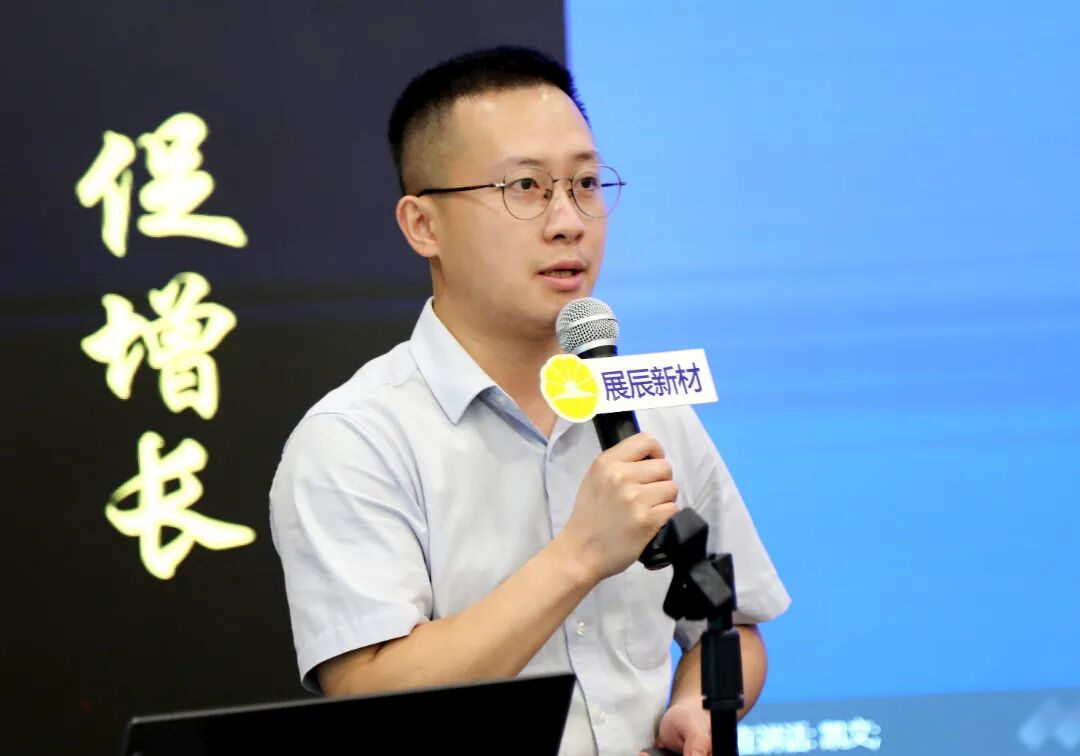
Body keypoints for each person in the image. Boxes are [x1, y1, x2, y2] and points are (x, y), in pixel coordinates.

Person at [269, 46, 790, 756]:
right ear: (423, 225)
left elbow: (733, 627)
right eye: (526, 187)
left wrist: (696, 708)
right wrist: (579, 555)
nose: (568, 221)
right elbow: (370, 696)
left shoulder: (646, 410)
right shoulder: (353, 439)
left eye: (585, 184)